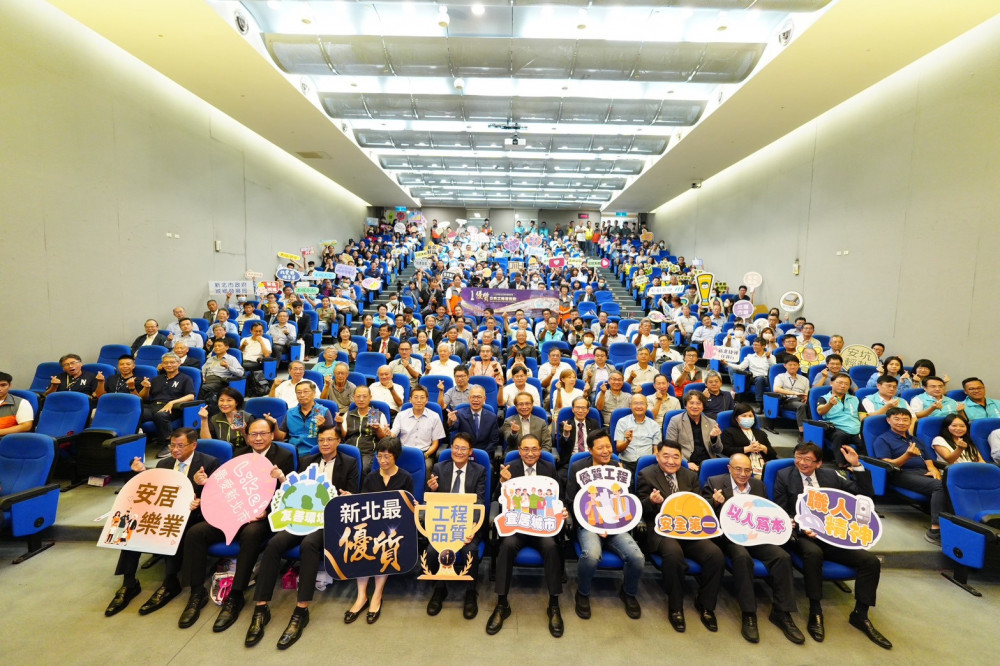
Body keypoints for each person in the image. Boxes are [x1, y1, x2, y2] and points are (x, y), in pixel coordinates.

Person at [246, 423, 360, 649]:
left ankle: (301, 610)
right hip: (301, 516)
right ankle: (261, 608)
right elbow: (293, 490)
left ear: (338, 441)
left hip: (329, 520)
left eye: (329, 440)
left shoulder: (350, 463)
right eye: (321, 440)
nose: (325, 444)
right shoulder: (308, 461)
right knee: (274, 544)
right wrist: (281, 478)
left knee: (309, 545)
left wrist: (347, 496)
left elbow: (353, 496)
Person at [178, 418, 294, 633]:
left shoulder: (284, 455)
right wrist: (205, 483)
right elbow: (227, 487)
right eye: (253, 434)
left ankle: (236, 594)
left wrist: (267, 510)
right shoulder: (240, 455)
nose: (258, 438)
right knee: (196, 532)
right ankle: (196, 592)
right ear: (247, 436)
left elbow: (287, 493)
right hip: (235, 512)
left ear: (271, 435)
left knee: (251, 534)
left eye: (263, 434)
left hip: (263, 517)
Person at [773, 442, 891, 649]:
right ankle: (815, 610)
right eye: (798, 457)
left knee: (870, 562)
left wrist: (857, 466)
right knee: (813, 554)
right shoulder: (784, 475)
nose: (802, 463)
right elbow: (782, 512)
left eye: (808, 459)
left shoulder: (832, 477)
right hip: (803, 535)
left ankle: (860, 614)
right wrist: (801, 527)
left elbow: (864, 496)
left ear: (818, 463)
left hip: (834, 535)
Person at [103, 428, 220, 617]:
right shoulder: (164, 463)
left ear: (193, 445)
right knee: (129, 522)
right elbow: (153, 492)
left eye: (180, 446)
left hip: (194, 515)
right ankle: (129, 582)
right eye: (172, 445)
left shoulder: (209, 463)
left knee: (175, 525)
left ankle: (170, 581)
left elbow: (217, 497)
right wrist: (140, 474)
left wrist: (201, 494)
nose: (175, 450)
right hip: (165, 511)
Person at [703, 454, 804, 644]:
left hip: (757, 535)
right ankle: (749, 614)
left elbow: (766, 513)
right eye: (738, 469)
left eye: (747, 470)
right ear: (729, 468)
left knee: (782, 557)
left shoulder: (758, 486)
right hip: (731, 537)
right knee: (742, 558)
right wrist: (714, 502)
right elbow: (703, 514)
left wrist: (783, 522)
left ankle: (782, 613)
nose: (743, 474)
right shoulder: (714, 482)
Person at [637, 440, 724, 633]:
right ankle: (675, 607)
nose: (671, 461)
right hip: (662, 530)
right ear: (657, 455)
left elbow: (697, 504)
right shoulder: (646, 474)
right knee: (673, 554)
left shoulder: (690, 476)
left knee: (715, 554)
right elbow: (640, 508)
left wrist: (714, 503)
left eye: (676, 457)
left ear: (681, 458)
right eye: (666, 456)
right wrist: (651, 502)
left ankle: (706, 604)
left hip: (689, 529)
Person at [489, 434, 565, 637]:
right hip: (518, 525)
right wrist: (502, 483)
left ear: (540, 450)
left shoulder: (548, 468)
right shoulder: (510, 467)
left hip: (541, 526)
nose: (530, 453)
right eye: (525, 449)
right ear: (519, 450)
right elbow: (497, 498)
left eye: (534, 449)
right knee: (506, 547)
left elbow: (559, 497)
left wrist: (561, 511)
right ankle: (502, 603)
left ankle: (554, 604)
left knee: (551, 547)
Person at [566, 428, 645, 620]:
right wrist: (595, 525)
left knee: (637, 557)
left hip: (616, 524)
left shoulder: (619, 467)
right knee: (591, 555)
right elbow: (570, 500)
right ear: (590, 450)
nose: (605, 451)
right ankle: (583, 593)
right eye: (600, 447)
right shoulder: (578, 467)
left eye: (608, 446)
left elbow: (628, 500)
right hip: (589, 523)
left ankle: (628, 592)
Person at [341, 436, 415, 627]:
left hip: (395, 529)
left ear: (395, 457)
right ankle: (361, 596)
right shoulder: (371, 477)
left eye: (387, 457)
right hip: (372, 526)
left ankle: (377, 595)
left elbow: (409, 507)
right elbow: (364, 505)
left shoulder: (405, 477)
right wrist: (351, 498)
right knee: (361, 542)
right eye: (379, 456)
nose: (382, 461)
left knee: (384, 545)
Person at [425, 432, 488, 621]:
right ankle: (440, 588)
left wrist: (471, 529)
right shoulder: (438, 467)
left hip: (468, 524)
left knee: (470, 549)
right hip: (444, 524)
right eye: (455, 447)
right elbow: (431, 503)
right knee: (432, 550)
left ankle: (470, 592)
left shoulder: (479, 470)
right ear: (451, 448)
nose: (458, 452)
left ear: (470, 452)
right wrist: (432, 490)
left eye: (463, 449)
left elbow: (479, 503)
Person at [871, 408, 945, 543]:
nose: (901, 422)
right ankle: (935, 531)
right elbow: (888, 465)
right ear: (888, 420)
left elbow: (928, 458)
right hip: (900, 473)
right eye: (897, 419)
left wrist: (933, 469)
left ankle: (954, 525)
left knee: (951, 483)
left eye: (905, 420)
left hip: (922, 472)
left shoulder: (915, 439)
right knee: (938, 486)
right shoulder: (882, 439)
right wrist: (908, 455)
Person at [138, 353, 196, 458]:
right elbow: (143, 397)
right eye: (166, 363)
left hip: (174, 407)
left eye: (172, 362)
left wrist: (172, 402)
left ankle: (169, 443)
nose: (169, 365)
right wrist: (146, 388)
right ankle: (135, 441)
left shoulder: (185, 378)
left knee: (160, 415)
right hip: (153, 406)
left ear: (179, 363)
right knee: (137, 413)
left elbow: (191, 396)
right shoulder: (156, 379)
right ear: (162, 365)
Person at [390, 385, 445, 474]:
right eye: (416, 397)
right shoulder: (401, 415)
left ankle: (424, 489)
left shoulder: (434, 416)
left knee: (427, 466)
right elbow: (393, 434)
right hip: (404, 452)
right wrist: (387, 433)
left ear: (426, 400)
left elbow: (435, 444)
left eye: (422, 397)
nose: (419, 400)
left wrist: (425, 455)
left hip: (425, 453)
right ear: (410, 399)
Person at [815, 373, 865, 465]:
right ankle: (841, 465)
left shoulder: (855, 399)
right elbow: (820, 411)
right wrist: (830, 404)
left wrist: (862, 431)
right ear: (831, 383)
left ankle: (864, 465)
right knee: (840, 436)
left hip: (855, 430)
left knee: (866, 441)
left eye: (846, 384)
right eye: (840, 383)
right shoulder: (824, 398)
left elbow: (863, 418)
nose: (843, 386)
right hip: (836, 428)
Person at [665, 392, 722, 471]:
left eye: (699, 403)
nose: (695, 406)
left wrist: (713, 438)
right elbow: (670, 447)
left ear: (703, 407)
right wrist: (685, 463)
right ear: (685, 405)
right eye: (691, 403)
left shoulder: (711, 422)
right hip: (686, 462)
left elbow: (719, 450)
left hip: (707, 463)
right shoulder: (675, 421)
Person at [339, 384, 390, 473]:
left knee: (362, 469)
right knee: (340, 468)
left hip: (368, 452)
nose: (361, 399)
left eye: (365, 396)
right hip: (349, 449)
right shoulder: (348, 414)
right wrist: (339, 424)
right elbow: (343, 435)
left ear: (370, 398)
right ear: (354, 398)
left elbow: (384, 439)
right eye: (358, 396)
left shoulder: (376, 414)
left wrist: (378, 429)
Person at [274, 380, 332, 457]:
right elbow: (280, 437)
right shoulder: (290, 412)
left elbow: (331, 437)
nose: (302, 395)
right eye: (299, 392)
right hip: (293, 452)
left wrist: (322, 427)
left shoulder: (323, 411)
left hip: (316, 452)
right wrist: (274, 424)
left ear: (314, 393)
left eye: (306, 392)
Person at [720, 403, 777, 478]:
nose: (748, 418)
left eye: (750, 416)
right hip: (745, 469)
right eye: (744, 416)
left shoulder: (761, 433)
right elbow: (726, 450)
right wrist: (747, 449)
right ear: (736, 418)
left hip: (765, 467)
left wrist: (763, 448)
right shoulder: (729, 432)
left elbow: (773, 454)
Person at [447, 385, 500, 457]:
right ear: (469, 398)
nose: (475, 400)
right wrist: (451, 422)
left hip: (483, 454)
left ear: (484, 398)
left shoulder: (492, 417)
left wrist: (483, 455)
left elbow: (494, 441)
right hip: (462, 454)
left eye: (479, 397)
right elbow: (453, 426)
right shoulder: (459, 414)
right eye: (473, 397)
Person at [614, 394, 660, 474]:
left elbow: (656, 451)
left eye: (642, 403)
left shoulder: (654, 425)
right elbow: (619, 449)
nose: (639, 406)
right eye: (635, 403)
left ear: (646, 406)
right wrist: (627, 441)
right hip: (626, 463)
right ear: (630, 406)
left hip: (646, 464)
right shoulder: (622, 422)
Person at [197, 387, 251, 453]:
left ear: (236, 402)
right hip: (221, 453)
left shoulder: (245, 417)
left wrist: (243, 432)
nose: (224, 404)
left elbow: (253, 445)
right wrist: (204, 419)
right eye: (221, 400)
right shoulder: (215, 419)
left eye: (229, 400)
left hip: (243, 453)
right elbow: (207, 443)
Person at [773, 357, 809, 438]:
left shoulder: (804, 379)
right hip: (788, 400)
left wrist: (806, 397)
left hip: (802, 399)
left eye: (795, 365)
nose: (793, 367)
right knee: (801, 406)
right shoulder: (780, 376)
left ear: (799, 366)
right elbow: (776, 389)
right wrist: (795, 393)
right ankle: (802, 434)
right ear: (785, 365)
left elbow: (807, 392)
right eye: (790, 365)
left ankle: (815, 430)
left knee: (810, 404)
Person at [199, 339, 244, 404]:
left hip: (220, 382)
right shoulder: (210, 359)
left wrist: (228, 367)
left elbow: (240, 373)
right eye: (215, 346)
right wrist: (202, 378)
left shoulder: (231, 359)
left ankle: (197, 406)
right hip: (206, 381)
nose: (216, 347)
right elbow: (203, 371)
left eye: (219, 346)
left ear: (226, 347)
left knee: (201, 388)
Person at [0, 371, 34, 438]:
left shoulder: (22, 403)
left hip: (6, 441)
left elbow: (26, 426)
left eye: (3, 385)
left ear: (10, 386)